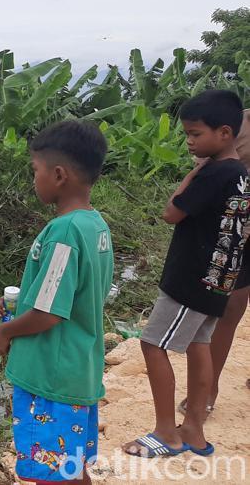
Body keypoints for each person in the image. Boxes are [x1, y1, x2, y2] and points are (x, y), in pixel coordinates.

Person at [122, 90, 250, 458]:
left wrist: (193, 173)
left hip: (191, 278)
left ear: (224, 133)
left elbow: (170, 213)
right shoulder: (240, 173)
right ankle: (193, 430)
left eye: (195, 134)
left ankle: (167, 433)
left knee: (153, 344)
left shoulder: (213, 173)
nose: (190, 142)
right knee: (199, 344)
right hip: (220, 279)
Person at [0, 119, 112, 484]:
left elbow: (48, 311)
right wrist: (18, 301)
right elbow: (70, 295)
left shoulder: (64, 231)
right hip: (78, 369)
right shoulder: (95, 225)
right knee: (71, 468)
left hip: (50, 376)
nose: (34, 179)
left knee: (49, 473)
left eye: (36, 171)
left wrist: (5, 330)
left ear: (59, 175)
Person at [176, 108, 250, 418]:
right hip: (239, 224)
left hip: (236, 226)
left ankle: (207, 392)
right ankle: (207, 391)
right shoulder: (238, 123)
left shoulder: (239, 122)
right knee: (230, 306)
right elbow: (207, 166)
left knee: (228, 308)